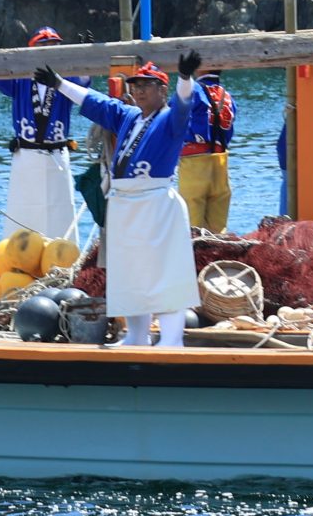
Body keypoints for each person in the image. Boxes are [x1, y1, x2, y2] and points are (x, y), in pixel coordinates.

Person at [46, 52, 208, 346]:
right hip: (124, 205)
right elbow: (95, 103)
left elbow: (186, 104)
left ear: (162, 90)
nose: (139, 90)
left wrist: (185, 78)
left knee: (165, 273)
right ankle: (136, 335)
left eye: (147, 85)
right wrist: (59, 84)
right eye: (135, 85)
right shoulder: (129, 116)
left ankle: (172, 338)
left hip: (156, 204)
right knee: (129, 275)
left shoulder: (172, 119)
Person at [0, 21, 80, 249]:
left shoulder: (67, 81)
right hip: (26, 157)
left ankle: (63, 263)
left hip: (57, 155)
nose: (49, 51)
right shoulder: (19, 79)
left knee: (60, 216)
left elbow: (85, 91)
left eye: (54, 46)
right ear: (31, 51)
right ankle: (18, 262)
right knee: (23, 216)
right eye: (44, 46)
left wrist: (83, 58)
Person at [177, 70, 237, 235]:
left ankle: (194, 260)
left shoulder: (193, 89)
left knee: (192, 228)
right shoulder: (228, 97)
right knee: (218, 230)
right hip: (221, 162)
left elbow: (172, 115)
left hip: (195, 164)